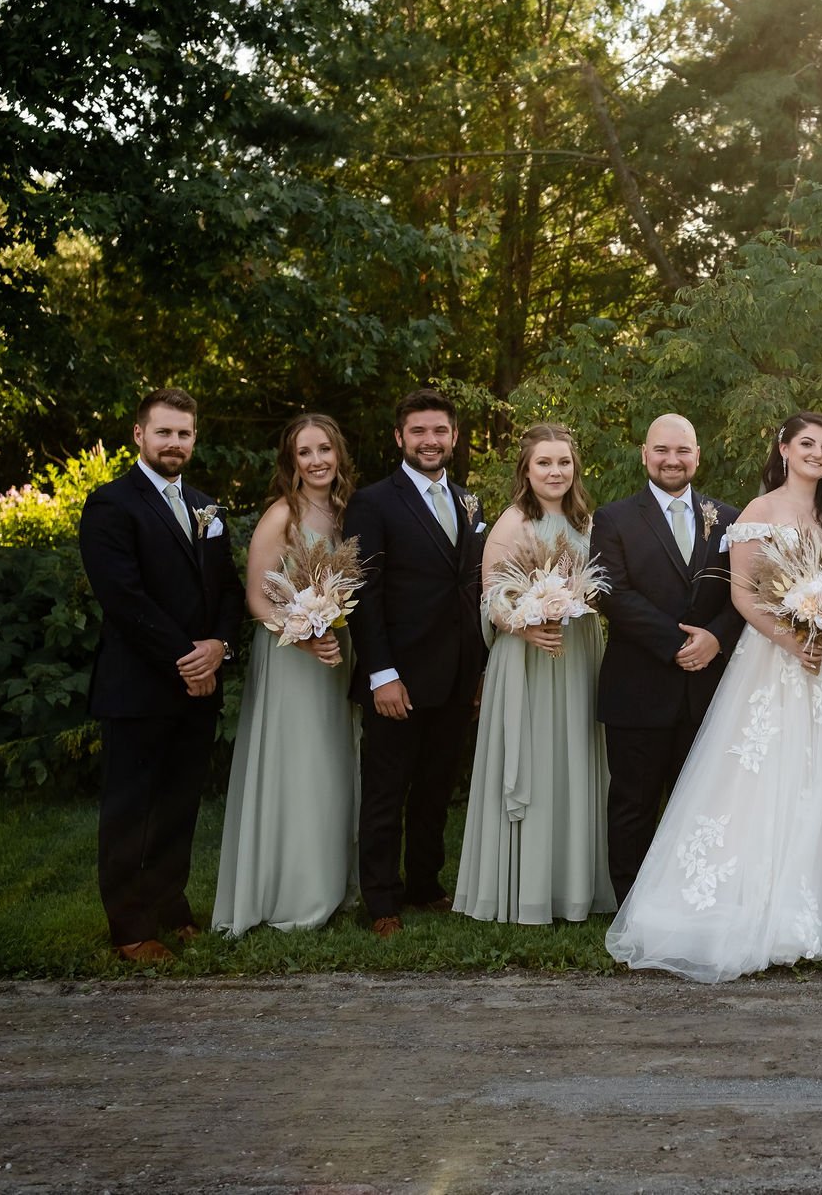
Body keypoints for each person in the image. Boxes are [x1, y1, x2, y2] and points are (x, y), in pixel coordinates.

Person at [607, 413, 822, 982]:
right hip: (776, 660)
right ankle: (755, 903)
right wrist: (794, 640)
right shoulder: (756, 513)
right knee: (769, 776)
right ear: (784, 449)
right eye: (806, 444)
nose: (817, 454)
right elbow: (746, 597)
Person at [78, 388, 243, 963]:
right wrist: (187, 658)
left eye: (185, 434)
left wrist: (219, 645)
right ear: (139, 435)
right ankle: (130, 929)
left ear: (195, 438)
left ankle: (171, 907)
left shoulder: (206, 507)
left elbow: (227, 589)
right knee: (131, 809)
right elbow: (124, 598)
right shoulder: (110, 505)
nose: (175, 443)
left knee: (179, 804)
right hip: (139, 685)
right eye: (164, 432)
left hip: (200, 682)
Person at [454, 423, 615, 924]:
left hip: (578, 657)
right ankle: (524, 893)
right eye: (544, 462)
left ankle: (573, 890)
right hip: (526, 660)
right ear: (526, 469)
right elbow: (491, 597)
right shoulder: (511, 524)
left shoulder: (587, 523)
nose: (555, 471)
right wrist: (522, 626)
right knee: (537, 765)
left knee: (574, 762)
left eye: (563, 462)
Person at [344, 389, 489, 938]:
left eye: (440, 431)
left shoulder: (470, 502)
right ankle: (381, 901)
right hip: (397, 676)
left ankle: (424, 885)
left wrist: (476, 672)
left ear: (453, 437)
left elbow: (472, 589)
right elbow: (364, 590)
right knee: (387, 790)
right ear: (399, 438)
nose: (430, 440)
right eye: (419, 431)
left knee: (434, 789)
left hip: (455, 675)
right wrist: (381, 672)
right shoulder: (373, 502)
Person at [212, 413, 361, 936]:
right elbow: (256, 597)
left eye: (325, 449)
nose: (317, 460)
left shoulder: (345, 512)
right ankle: (290, 893)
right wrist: (303, 631)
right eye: (305, 452)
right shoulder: (283, 516)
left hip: (335, 651)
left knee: (333, 765)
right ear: (291, 461)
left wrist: (329, 631)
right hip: (290, 652)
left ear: (338, 453)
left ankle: (331, 885)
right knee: (297, 766)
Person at [591, 414, 743, 902]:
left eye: (682, 451)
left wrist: (716, 638)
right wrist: (677, 642)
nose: (672, 460)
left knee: (699, 802)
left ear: (698, 455)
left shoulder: (730, 518)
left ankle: (687, 899)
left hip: (707, 685)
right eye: (662, 450)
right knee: (633, 802)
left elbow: (747, 595)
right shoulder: (612, 518)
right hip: (639, 684)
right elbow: (612, 592)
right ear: (644, 454)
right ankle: (629, 902)